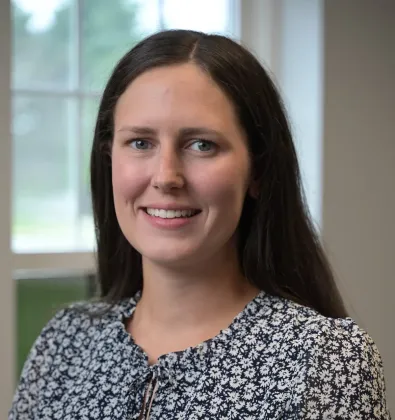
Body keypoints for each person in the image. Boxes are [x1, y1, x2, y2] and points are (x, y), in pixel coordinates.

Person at [10, 29, 391, 419]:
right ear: (110, 159)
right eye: (141, 142)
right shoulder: (65, 343)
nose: (166, 177)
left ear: (257, 171)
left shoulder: (324, 359)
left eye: (201, 145)